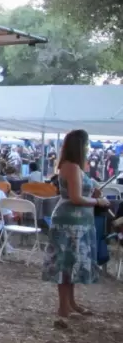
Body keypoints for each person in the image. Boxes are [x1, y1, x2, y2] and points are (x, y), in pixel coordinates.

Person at [43, 129, 107, 328]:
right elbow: (76, 198)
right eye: (87, 145)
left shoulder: (73, 167)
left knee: (71, 263)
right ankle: (63, 306)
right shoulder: (71, 167)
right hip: (69, 222)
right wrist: (98, 200)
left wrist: (94, 192)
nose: (88, 148)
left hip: (77, 222)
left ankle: (70, 303)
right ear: (81, 146)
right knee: (65, 263)